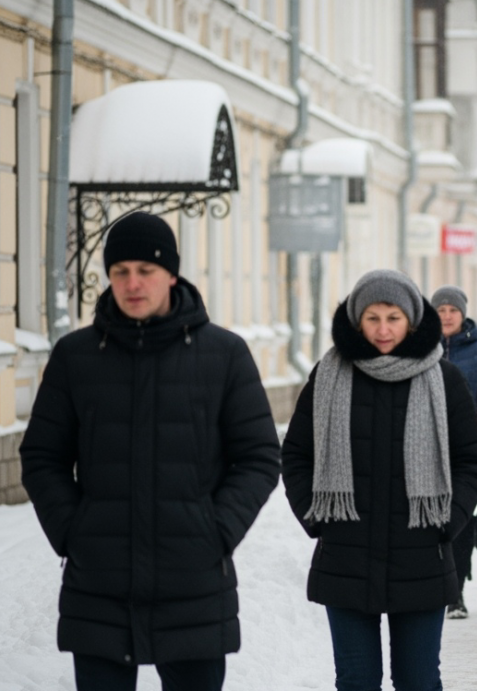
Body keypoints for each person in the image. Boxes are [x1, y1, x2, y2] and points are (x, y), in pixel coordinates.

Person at [20, 211, 281, 691]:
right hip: (99, 585)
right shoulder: (77, 356)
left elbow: (260, 455)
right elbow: (42, 456)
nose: (133, 283)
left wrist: (215, 530)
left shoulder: (223, 354)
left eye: (146, 271)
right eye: (121, 271)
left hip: (195, 586)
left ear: (171, 275)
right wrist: (74, 532)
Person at [281, 270, 477, 690]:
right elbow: (296, 454)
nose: (382, 329)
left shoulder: (443, 378)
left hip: (421, 557)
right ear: (357, 320)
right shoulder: (329, 374)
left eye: (393, 317)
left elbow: (472, 461)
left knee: (418, 681)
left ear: (410, 320)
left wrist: (448, 520)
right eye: (372, 318)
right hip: (346, 557)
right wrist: (317, 516)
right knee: (356, 681)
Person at [431, 284, 477, 620]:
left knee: (461, 520)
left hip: (466, 448)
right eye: (440, 310)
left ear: (463, 313)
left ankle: (456, 593)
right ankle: (435, 586)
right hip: (426, 448)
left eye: (452, 310)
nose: (446, 316)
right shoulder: (420, 350)